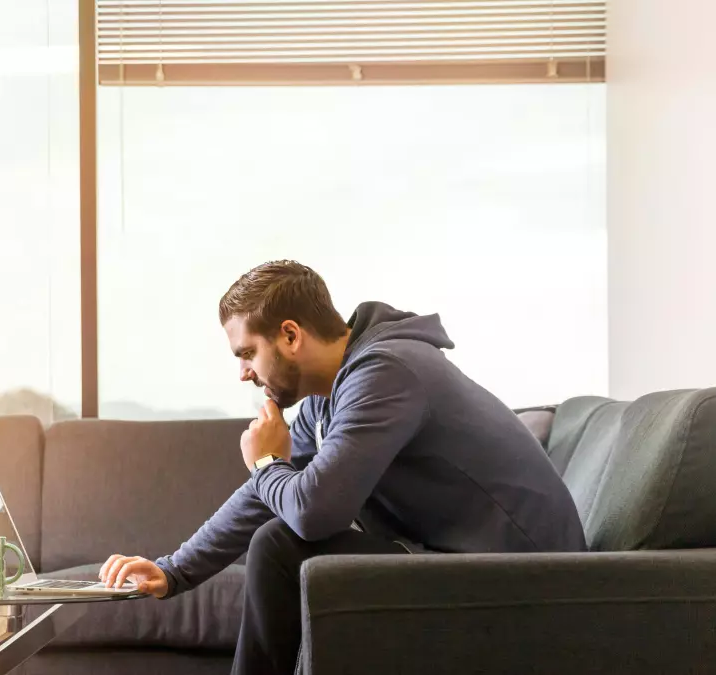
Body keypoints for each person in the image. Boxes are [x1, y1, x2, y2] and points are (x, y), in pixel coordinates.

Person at [99, 260, 586, 675]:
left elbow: (314, 512)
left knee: (281, 546)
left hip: (526, 582)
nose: (243, 372)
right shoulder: (332, 395)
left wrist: (268, 463)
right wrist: (173, 570)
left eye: (248, 353)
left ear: (290, 335)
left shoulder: (386, 373)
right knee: (277, 539)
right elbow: (263, 499)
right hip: (460, 562)